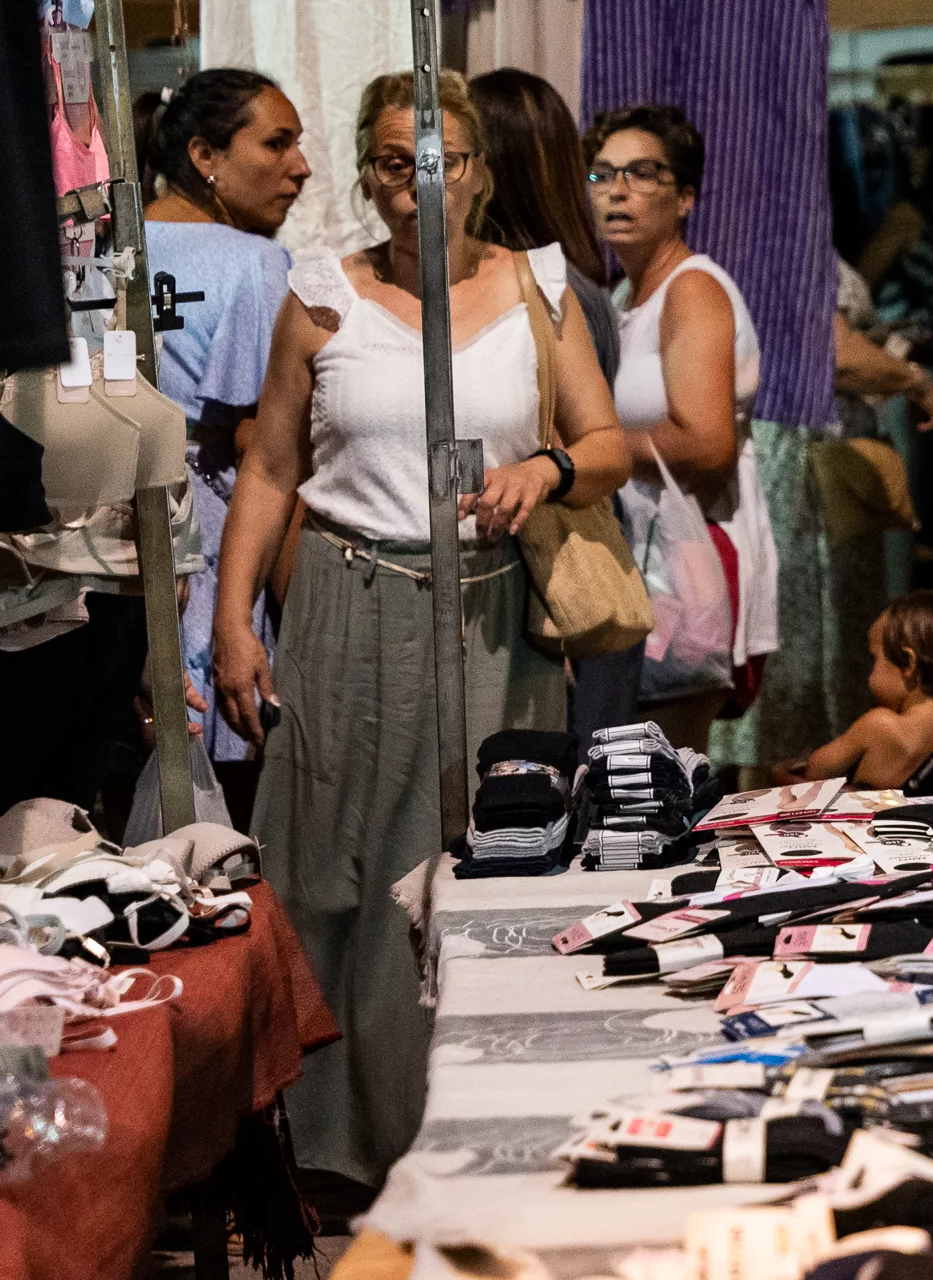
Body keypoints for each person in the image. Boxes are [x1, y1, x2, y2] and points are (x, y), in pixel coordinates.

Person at [213, 68, 630, 1183]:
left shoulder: (538, 285)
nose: (416, 187)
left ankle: (476, 1130)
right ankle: (337, 1152)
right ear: (372, 169)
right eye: (396, 163)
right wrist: (231, 618)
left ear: (482, 171)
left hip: (491, 610)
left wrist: (544, 468)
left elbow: (607, 443)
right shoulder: (321, 294)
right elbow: (270, 464)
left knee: (485, 868)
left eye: (440, 162)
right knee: (334, 874)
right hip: (347, 605)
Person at [135, 68, 311, 824]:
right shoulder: (255, 264)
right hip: (215, 560)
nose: (300, 167)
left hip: (111, 568)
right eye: (277, 143)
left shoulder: (99, 247)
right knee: (227, 837)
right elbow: (263, 447)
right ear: (206, 155)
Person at [591, 104, 775, 755]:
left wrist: (591, 453)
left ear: (686, 196)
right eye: (603, 173)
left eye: (643, 174)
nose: (617, 190)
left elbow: (705, 443)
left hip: (688, 557)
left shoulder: (692, 288)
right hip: (645, 558)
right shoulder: (622, 299)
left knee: (663, 770)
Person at [470, 67, 642, 742]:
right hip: (541, 562)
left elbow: (590, 444)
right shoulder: (566, 285)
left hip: (554, 569)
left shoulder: (552, 291)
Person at [789, 590, 933, 789]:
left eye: (874, 658)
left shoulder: (880, 725)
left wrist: (780, 771)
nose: (869, 673)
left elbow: (815, 771)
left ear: (908, 664)